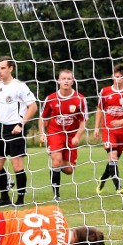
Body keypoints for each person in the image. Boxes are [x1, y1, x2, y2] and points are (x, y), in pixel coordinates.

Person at [0, 56, 37, 207]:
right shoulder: (0, 87)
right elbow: (0, 111)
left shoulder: (19, 86)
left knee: (17, 165)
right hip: (2, 129)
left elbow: (33, 107)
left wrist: (21, 124)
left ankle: (20, 200)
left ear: (11, 68)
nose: (0, 71)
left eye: (3, 68)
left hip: (15, 129)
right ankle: (4, 198)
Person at [39, 69, 88, 202]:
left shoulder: (80, 99)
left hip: (71, 135)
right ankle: (56, 194)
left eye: (69, 79)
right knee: (56, 160)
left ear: (72, 81)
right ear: (59, 80)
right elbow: (43, 118)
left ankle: (57, 166)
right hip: (55, 133)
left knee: (68, 169)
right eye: (64, 78)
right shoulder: (51, 98)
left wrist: (78, 136)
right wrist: (42, 133)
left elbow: (84, 120)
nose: (66, 81)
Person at [93, 65, 123, 195]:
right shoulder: (105, 91)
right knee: (112, 157)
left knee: (114, 160)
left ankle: (102, 179)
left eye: (121, 77)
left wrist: (121, 122)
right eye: (116, 76)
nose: (118, 79)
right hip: (108, 130)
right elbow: (100, 109)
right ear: (112, 77)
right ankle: (118, 187)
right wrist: (96, 127)